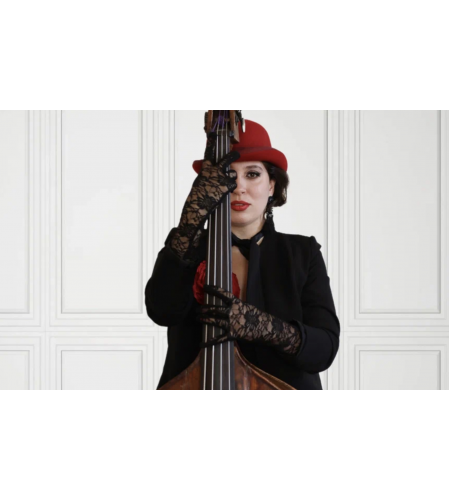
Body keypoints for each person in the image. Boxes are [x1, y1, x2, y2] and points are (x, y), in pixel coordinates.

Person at [145, 119, 340, 390]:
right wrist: (191, 219)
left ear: (272, 185)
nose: (237, 187)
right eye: (227, 175)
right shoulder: (186, 246)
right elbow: (161, 311)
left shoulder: (302, 253)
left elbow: (324, 349)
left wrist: (262, 326)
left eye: (252, 174)